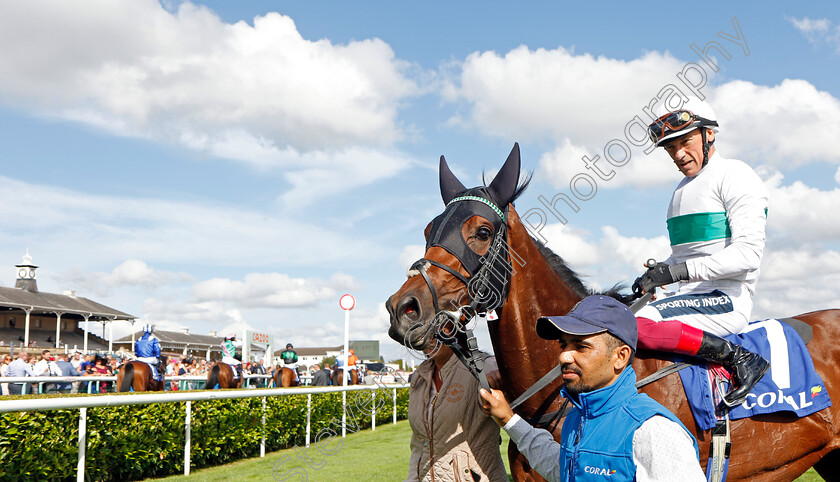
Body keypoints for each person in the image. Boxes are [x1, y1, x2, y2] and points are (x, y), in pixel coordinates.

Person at [633, 97, 770, 406]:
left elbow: (748, 256)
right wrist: (659, 273)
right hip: (690, 295)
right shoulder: (681, 190)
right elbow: (685, 260)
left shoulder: (736, 175)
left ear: (709, 134)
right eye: (670, 148)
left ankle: (740, 359)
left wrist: (678, 271)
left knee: (638, 326)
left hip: (726, 299)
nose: (678, 154)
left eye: (685, 142)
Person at [480, 296, 705, 482]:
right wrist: (509, 420)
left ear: (620, 356)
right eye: (564, 345)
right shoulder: (576, 418)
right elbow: (563, 471)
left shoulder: (652, 431)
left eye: (581, 346)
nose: (564, 356)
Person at [406, 327, 506, 482]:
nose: (429, 339)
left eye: (435, 331)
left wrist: (500, 375)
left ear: (456, 329)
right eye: (423, 333)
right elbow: (419, 443)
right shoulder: (419, 378)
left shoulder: (484, 367)